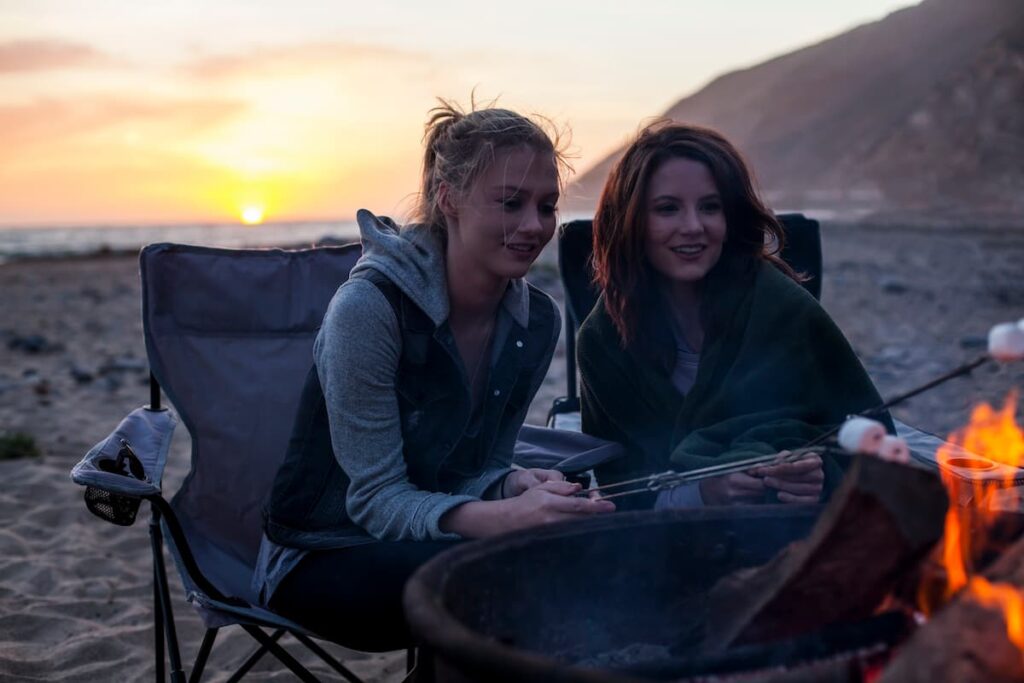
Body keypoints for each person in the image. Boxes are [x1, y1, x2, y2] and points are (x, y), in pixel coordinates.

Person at [255, 101, 615, 650]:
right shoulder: (371, 310)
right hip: (322, 548)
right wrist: (499, 518)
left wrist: (511, 483)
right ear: (448, 198)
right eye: (510, 202)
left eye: (547, 206)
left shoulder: (534, 322)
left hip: (433, 534)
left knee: (576, 554)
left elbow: (474, 469)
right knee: (504, 581)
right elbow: (375, 499)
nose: (534, 225)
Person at [578, 121, 892, 511]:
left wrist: (819, 478)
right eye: (667, 209)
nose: (693, 227)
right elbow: (618, 485)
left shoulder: (783, 310)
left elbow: (871, 440)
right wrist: (701, 492)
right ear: (630, 221)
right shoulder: (604, 338)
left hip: (792, 542)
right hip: (660, 553)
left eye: (711, 207)